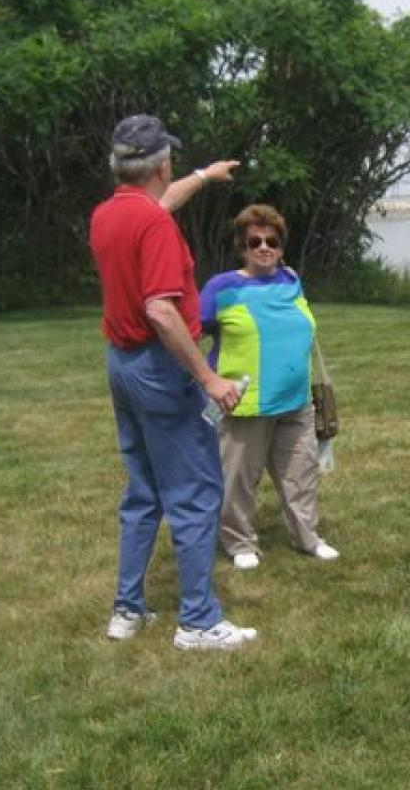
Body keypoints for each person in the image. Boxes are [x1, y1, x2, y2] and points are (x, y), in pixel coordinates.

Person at [89, 113, 257, 651]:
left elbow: (163, 201)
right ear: (162, 163)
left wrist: (206, 176)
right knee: (196, 493)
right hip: (160, 371)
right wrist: (207, 377)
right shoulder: (154, 225)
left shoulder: (110, 215)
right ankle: (199, 621)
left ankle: (127, 610)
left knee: (142, 492)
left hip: (121, 364)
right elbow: (161, 311)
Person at [199, 204, 339, 570]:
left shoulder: (291, 280)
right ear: (242, 247)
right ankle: (238, 541)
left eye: (271, 241)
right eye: (254, 241)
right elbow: (190, 334)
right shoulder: (222, 288)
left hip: (295, 401)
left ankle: (307, 536)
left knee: (301, 475)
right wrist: (208, 381)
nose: (264, 248)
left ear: (281, 247)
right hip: (244, 403)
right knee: (239, 478)